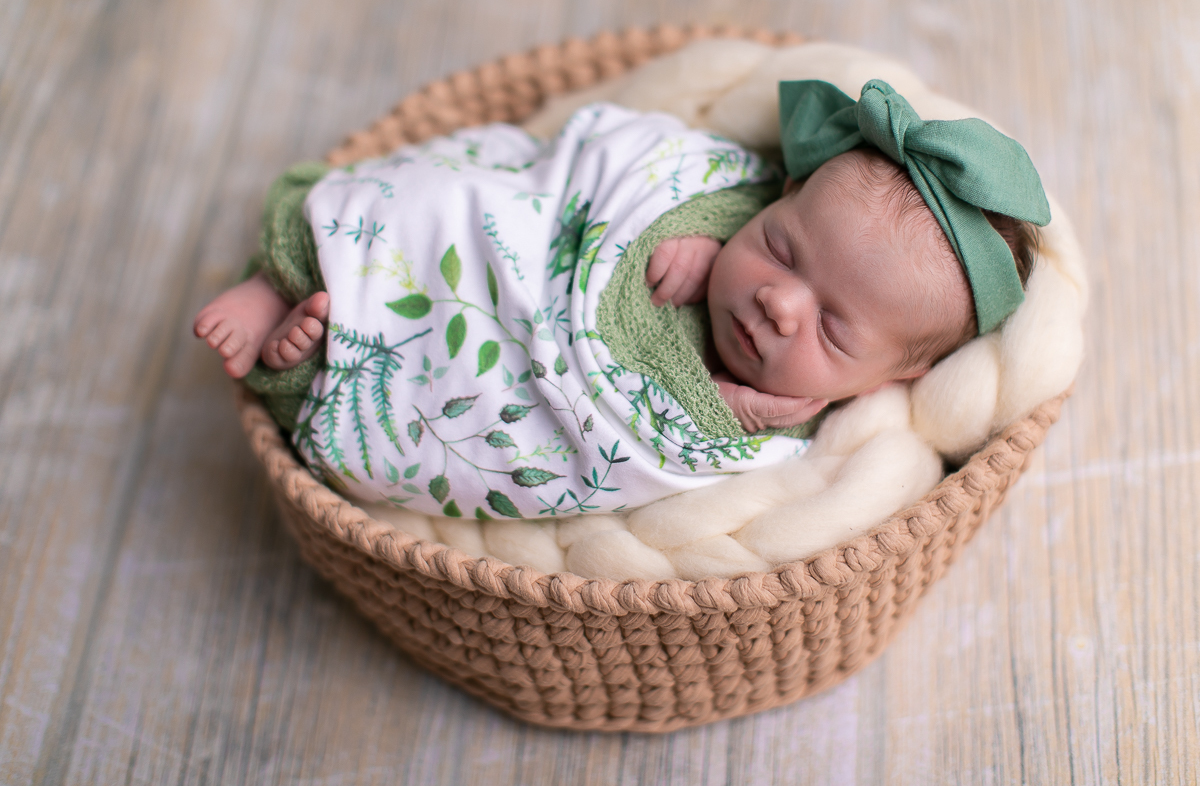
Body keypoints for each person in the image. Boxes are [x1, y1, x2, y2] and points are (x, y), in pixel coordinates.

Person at [194, 79, 1049, 518]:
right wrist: (694, 238)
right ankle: (294, 269)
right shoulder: (731, 203)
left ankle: (305, 371)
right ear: (781, 192)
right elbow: (689, 185)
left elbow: (683, 460)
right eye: (781, 248)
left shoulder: (811, 422)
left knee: (459, 424)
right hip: (540, 253)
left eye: (831, 327)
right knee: (447, 210)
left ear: (893, 378)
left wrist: (721, 412)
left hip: (554, 395)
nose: (780, 304)